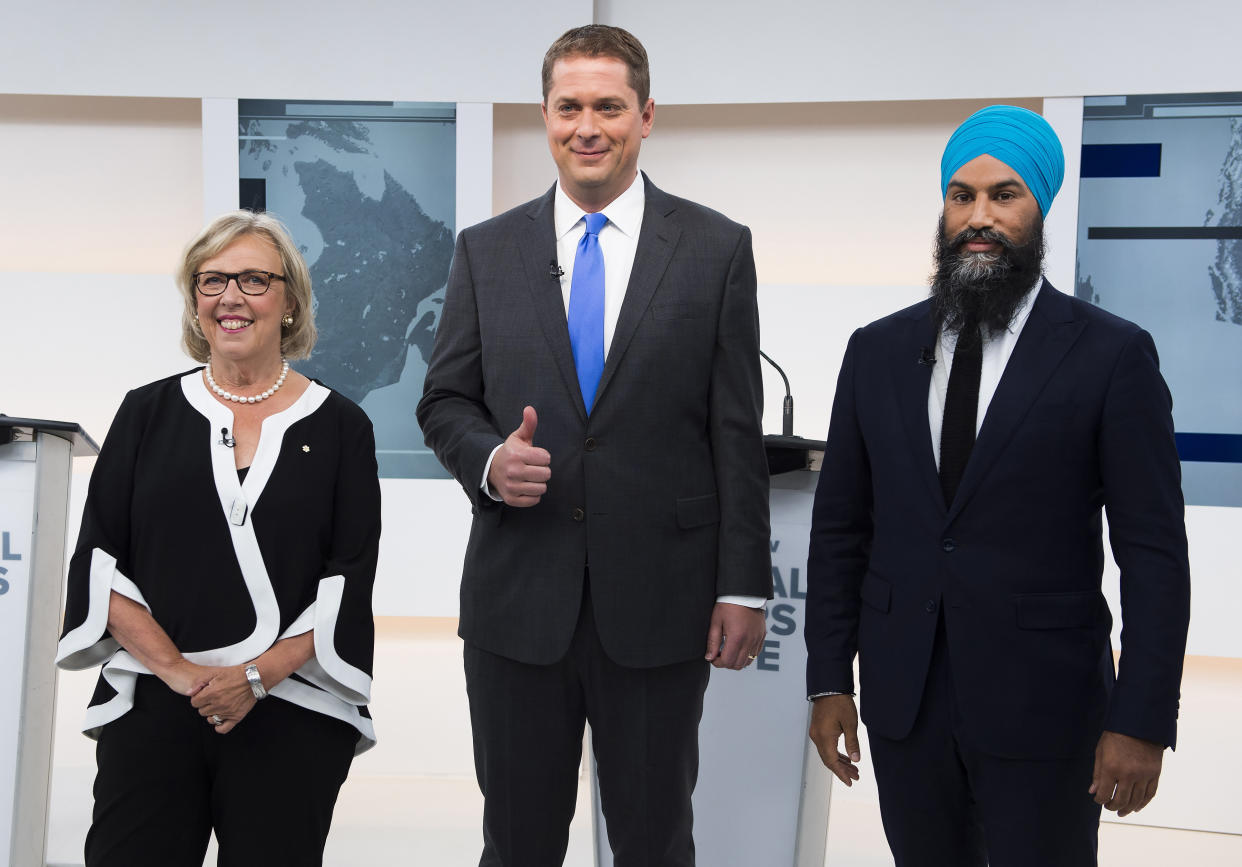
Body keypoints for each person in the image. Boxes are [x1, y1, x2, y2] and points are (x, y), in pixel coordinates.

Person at [416, 24, 771, 867]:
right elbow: (443, 401)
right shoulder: (485, 250)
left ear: (646, 115)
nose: (588, 126)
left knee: (653, 839)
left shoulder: (716, 250)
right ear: (544, 115)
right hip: (516, 605)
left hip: (660, 605)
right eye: (569, 106)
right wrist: (489, 462)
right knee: (517, 840)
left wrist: (744, 585)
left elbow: (735, 431)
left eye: (608, 107)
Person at [804, 105, 1191, 866]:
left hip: (1045, 707)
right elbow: (841, 528)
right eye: (960, 195)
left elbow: (1154, 554)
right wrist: (827, 679)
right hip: (904, 700)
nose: (978, 216)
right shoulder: (877, 350)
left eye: (1003, 194)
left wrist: (1141, 717)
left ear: (1040, 208)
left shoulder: (1111, 356)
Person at [55, 210, 381, 866]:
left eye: (254, 279)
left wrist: (254, 677)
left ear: (290, 299)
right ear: (194, 300)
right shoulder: (145, 412)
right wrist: (181, 674)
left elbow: (348, 577)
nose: (230, 297)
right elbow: (98, 559)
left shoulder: (343, 425)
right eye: (212, 281)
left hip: (290, 705)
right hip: (155, 697)